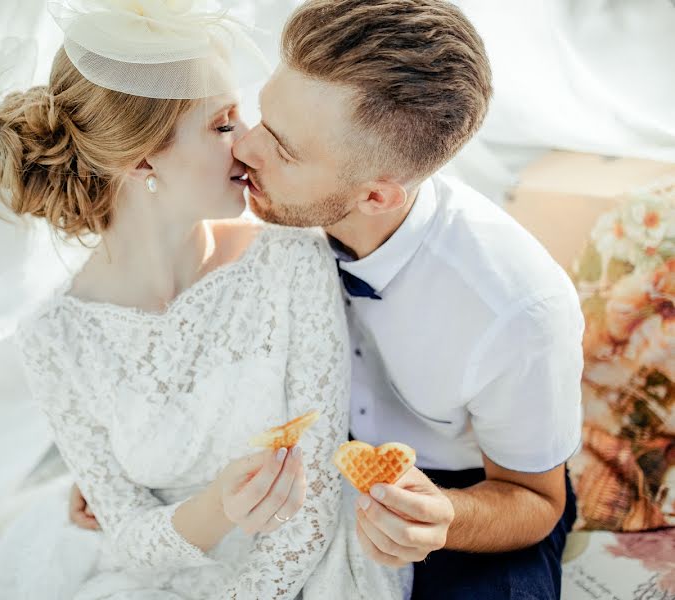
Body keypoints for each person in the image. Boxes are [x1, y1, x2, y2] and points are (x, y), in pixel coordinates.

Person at [72, 1, 584, 598]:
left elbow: (536, 499)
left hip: (467, 495)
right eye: (263, 116)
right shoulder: (249, 217)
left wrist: (443, 517)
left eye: (284, 150)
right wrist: (135, 475)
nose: (246, 150)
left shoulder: (517, 311)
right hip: (300, 479)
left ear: (375, 197)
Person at [0, 1, 409, 598]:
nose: (250, 140)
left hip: (308, 572)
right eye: (223, 122)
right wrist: (217, 506)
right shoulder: (54, 340)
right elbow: (128, 538)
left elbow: (312, 509)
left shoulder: (290, 259)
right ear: (143, 157)